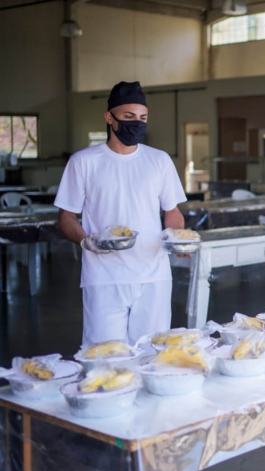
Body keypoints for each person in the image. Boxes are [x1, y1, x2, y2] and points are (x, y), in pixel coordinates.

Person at [56, 81, 188, 347]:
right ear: (109, 117)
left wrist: (177, 239)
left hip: (153, 275)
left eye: (142, 118)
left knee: (152, 352)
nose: (137, 123)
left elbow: (171, 211)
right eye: (129, 117)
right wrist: (86, 241)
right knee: (104, 356)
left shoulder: (159, 160)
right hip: (104, 277)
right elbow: (66, 217)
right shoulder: (84, 161)